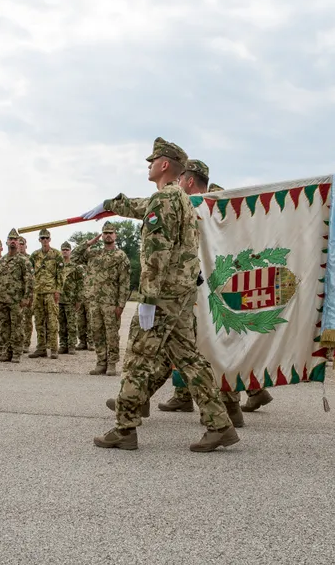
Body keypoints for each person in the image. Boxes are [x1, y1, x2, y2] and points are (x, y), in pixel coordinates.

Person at [91, 137, 238, 452]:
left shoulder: (166, 200)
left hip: (162, 297)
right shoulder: (180, 199)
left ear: (165, 164)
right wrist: (108, 205)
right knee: (189, 359)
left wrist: (147, 299)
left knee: (138, 359)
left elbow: (157, 254)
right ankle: (220, 424)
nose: (148, 165)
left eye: (152, 161)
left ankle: (124, 428)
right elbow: (142, 207)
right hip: (181, 294)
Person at [72, 223, 131, 375]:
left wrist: (121, 304)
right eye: (105, 233)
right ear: (102, 235)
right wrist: (89, 243)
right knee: (96, 332)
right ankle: (101, 362)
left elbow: (124, 282)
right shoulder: (94, 254)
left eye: (110, 233)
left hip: (111, 302)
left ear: (115, 235)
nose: (108, 235)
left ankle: (112, 363)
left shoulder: (120, 256)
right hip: (94, 301)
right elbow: (74, 256)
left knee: (111, 334)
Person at [0, 229, 33, 363]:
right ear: (7, 242)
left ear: (18, 242)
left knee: (17, 327)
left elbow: (29, 280)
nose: (13, 242)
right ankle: (6, 352)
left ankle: (16, 352)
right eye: (11, 239)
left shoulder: (23, 261)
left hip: (16, 300)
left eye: (15, 240)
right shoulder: (2, 260)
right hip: (2, 299)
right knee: (4, 327)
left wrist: (26, 297)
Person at [29, 229, 63, 358]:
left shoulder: (56, 254)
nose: (44, 240)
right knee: (38, 321)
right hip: (38, 292)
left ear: (50, 239)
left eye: (46, 238)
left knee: (52, 321)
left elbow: (60, 274)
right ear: (39, 240)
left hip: (50, 292)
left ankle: (54, 349)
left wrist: (58, 290)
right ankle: (41, 348)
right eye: (42, 238)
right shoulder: (35, 255)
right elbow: (30, 271)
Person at [57, 241, 83, 355]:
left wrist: (78, 299)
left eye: (67, 249)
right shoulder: (58, 266)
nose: (65, 251)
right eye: (63, 249)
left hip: (71, 299)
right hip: (59, 299)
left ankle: (72, 345)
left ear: (70, 251)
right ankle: (63, 345)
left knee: (71, 324)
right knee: (61, 324)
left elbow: (80, 284)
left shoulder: (76, 266)